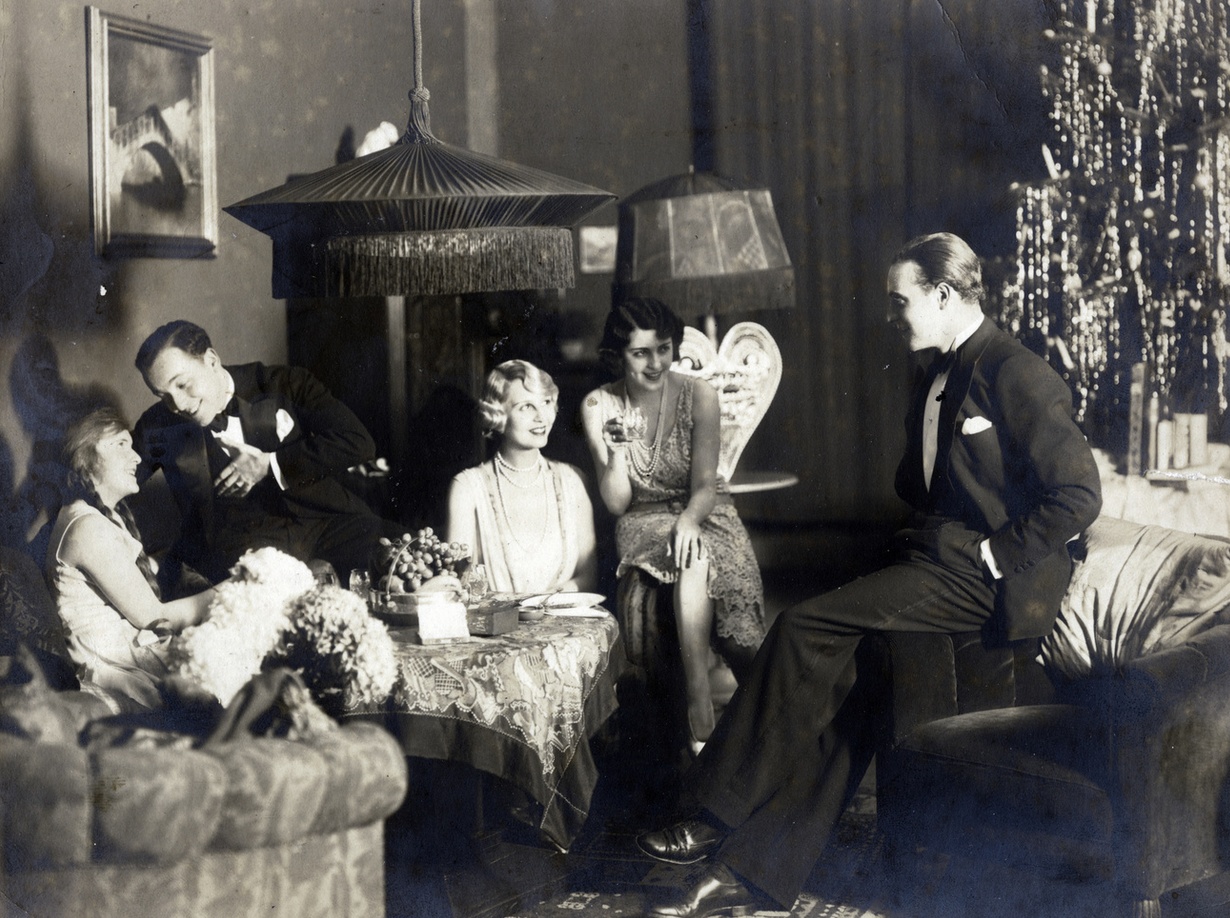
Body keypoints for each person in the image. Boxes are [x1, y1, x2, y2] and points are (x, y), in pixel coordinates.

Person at [634, 232, 1104, 917]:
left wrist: (996, 554)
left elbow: (1079, 494)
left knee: (801, 625)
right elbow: (922, 482)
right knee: (853, 681)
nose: (890, 315)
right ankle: (748, 870)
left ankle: (708, 812)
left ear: (943, 295)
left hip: (987, 577)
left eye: (899, 301)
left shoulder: (1016, 371)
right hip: (933, 552)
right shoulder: (935, 370)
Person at [580, 297, 766, 756]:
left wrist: (688, 521)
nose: (656, 363)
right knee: (692, 555)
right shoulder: (598, 404)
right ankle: (700, 702)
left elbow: (705, 484)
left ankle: (758, 724)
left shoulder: (699, 395)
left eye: (663, 349)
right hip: (642, 519)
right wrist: (616, 453)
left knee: (720, 589)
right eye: (640, 353)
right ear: (617, 355)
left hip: (706, 511)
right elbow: (617, 503)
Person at [133, 320, 386, 586]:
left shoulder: (285, 383)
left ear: (211, 360)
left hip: (328, 523)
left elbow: (358, 441)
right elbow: (113, 474)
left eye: (183, 384)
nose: (177, 405)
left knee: (400, 558)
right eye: (162, 396)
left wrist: (270, 464)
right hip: (246, 551)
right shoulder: (157, 425)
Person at [45, 407, 217, 712]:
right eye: (121, 444)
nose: (137, 458)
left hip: (133, 651)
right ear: (85, 456)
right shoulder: (87, 527)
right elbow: (153, 616)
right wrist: (231, 592)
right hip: (117, 667)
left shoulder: (103, 518)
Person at [446, 360, 597, 595]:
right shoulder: (468, 488)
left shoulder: (572, 480)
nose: (541, 417)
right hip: (495, 619)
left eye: (546, 402)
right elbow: (457, 583)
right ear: (497, 415)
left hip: (567, 616)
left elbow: (588, 576)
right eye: (526, 407)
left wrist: (547, 602)